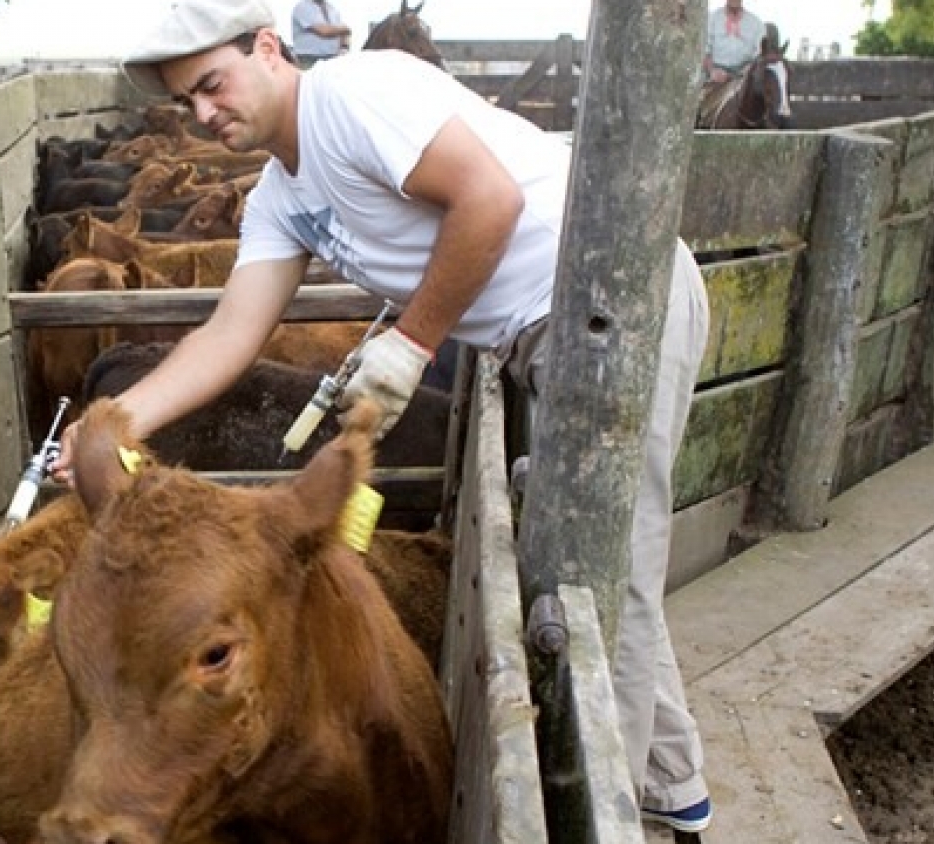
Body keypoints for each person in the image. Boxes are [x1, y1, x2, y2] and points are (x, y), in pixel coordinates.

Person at [54, 0, 713, 833]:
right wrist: (113, 421)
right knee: (599, 570)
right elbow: (230, 332)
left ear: (267, 48)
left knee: (602, 578)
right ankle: (675, 791)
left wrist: (411, 342)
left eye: (212, 85)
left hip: (611, 299)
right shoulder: (279, 197)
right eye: (187, 102)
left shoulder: (355, 94)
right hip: (540, 334)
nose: (204, 113)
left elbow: (490, 198)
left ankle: (597, 822)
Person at [699, 0, 766, 125]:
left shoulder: (756, 24)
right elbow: (702, 51)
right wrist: (713, 71)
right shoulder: (712, 20)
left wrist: (745, 73)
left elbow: (760, 56)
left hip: (744, 78)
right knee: (698, 110)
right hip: (715, 77)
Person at [291, 0, 351, 69]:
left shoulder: (332, 9)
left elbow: (344, 33)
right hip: (309, 60)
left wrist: (344, 47)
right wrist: (345, 29)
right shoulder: (302, 7)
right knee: (309, 79)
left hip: (332, 59)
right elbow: (324, 32)